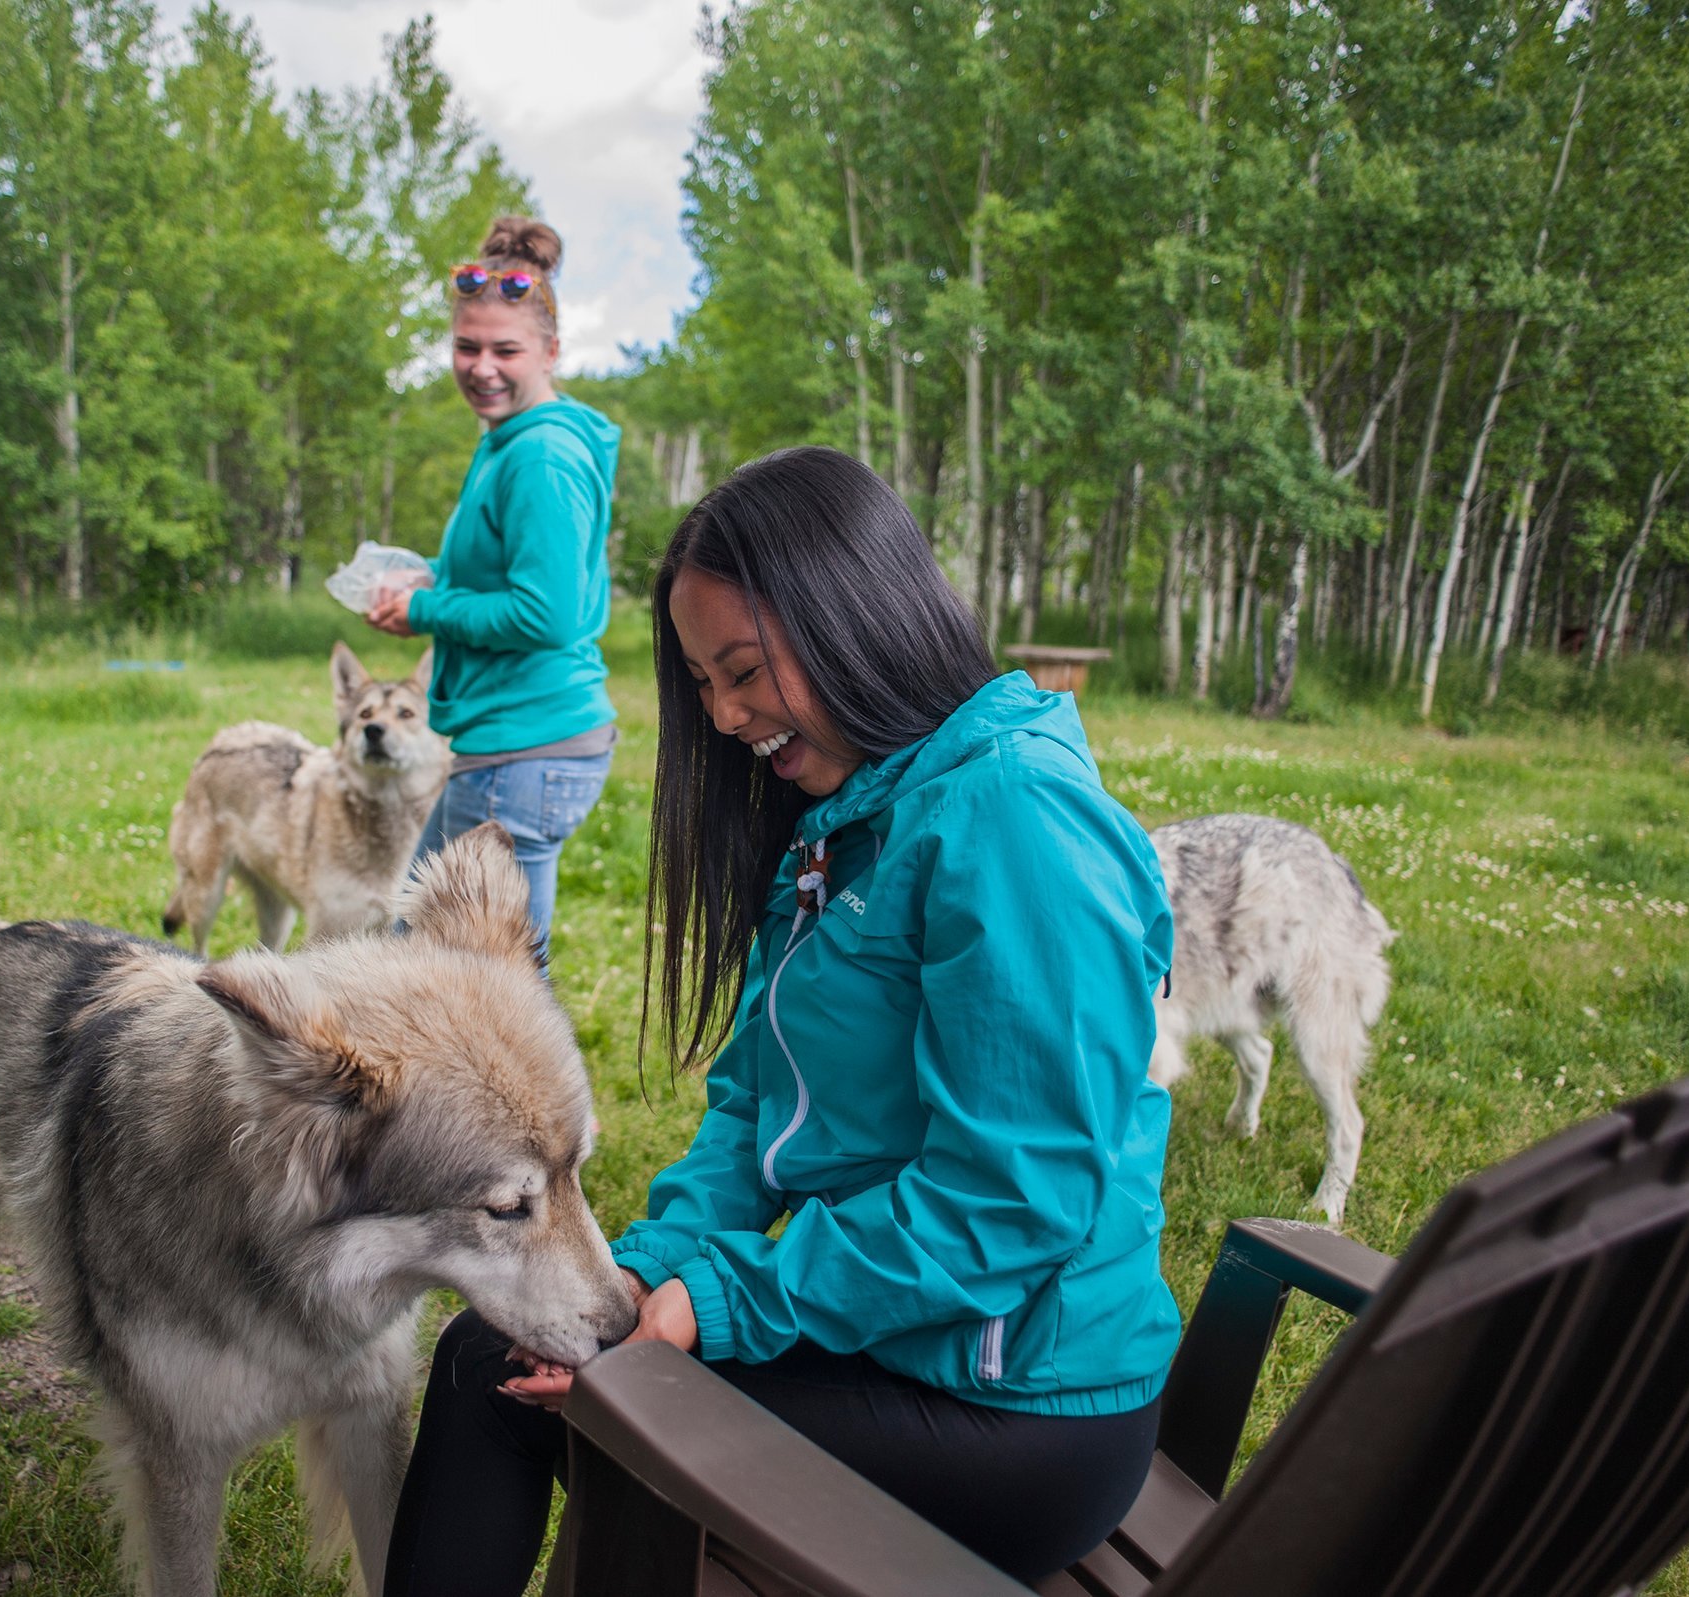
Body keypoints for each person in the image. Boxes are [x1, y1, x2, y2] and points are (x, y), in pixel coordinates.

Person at [383, 446, 1181, 1594]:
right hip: (897, 1345)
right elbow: (752, 1109)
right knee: (503, 1360)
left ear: (853, 611)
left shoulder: (1013, 821)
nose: (723, 713)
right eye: (705, 682)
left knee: (553, 1404)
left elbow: (1008, 1208)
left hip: (1017, 1414)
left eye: (744, 670)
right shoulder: (848, 820)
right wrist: (639, 1274)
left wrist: (718, 1305)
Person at [365, 216, 620, 962]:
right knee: (416, 949)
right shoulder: (504, 440)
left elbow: (547, 611)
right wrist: (435, 582)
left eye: (506, 349)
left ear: (549, 350)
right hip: (503, 748)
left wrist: (424, 608)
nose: (482, 367)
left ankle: (518, 1088)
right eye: (466, 346)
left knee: (495, 987)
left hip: (527, 749)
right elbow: (511, 577)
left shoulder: (540, 455)